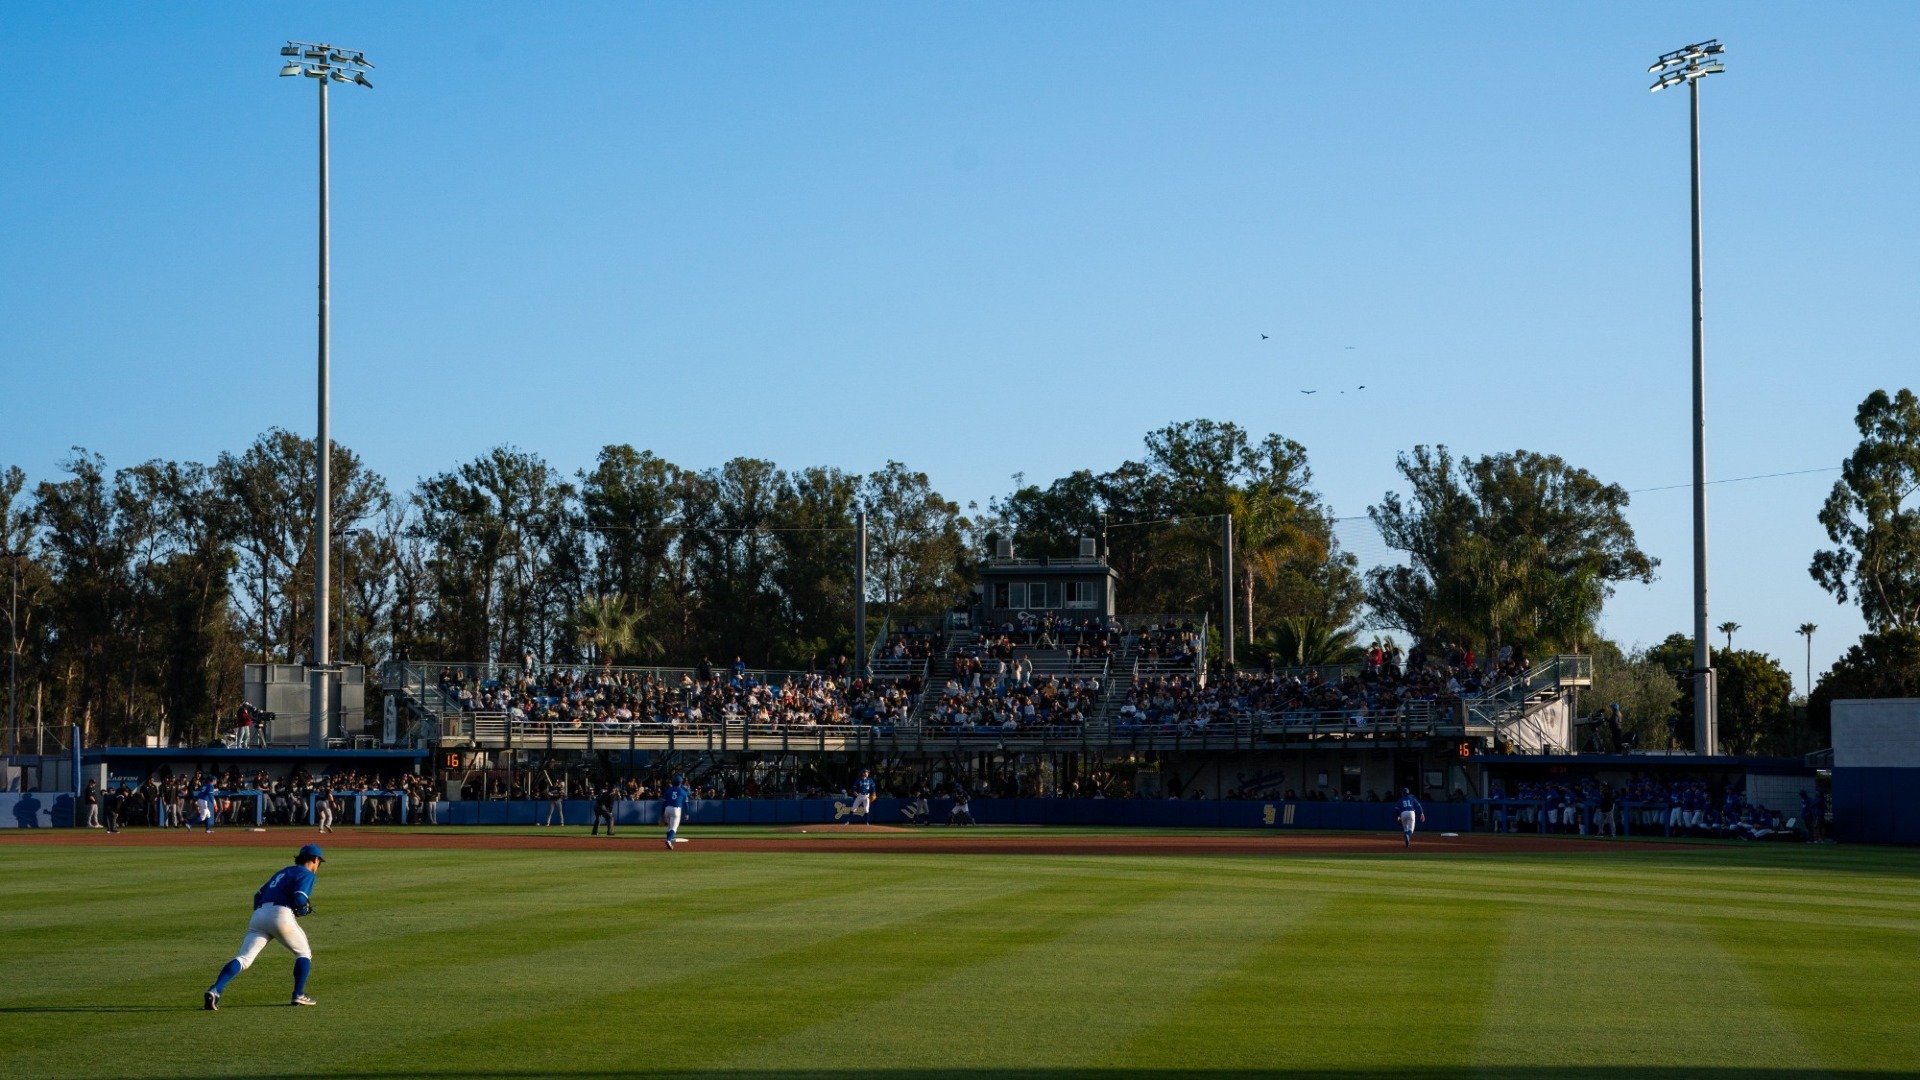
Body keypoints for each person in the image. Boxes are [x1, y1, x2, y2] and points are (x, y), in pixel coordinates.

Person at [204, 844, 326, 1010]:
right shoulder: (306, 873)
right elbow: (299, 898)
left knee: (244, 958)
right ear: (315, 859)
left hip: (259, 914)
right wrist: (302, 908)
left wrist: (265, 916)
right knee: (303, 953)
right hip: (281, 914)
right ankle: (298, 994)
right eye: (319, 862)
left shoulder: (283, 872)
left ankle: (215, 989)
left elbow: (258, 895)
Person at [662, 773, 690, 849]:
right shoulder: (683, 791)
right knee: (674, 828)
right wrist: (687, 813)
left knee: (669, 827)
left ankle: (669, 842)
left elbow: (664, 803)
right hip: (676, 810)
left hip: (667, 809)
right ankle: (668, 840)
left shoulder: (668, 790)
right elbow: (686, 804)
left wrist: (662, 814)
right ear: (681, 783)